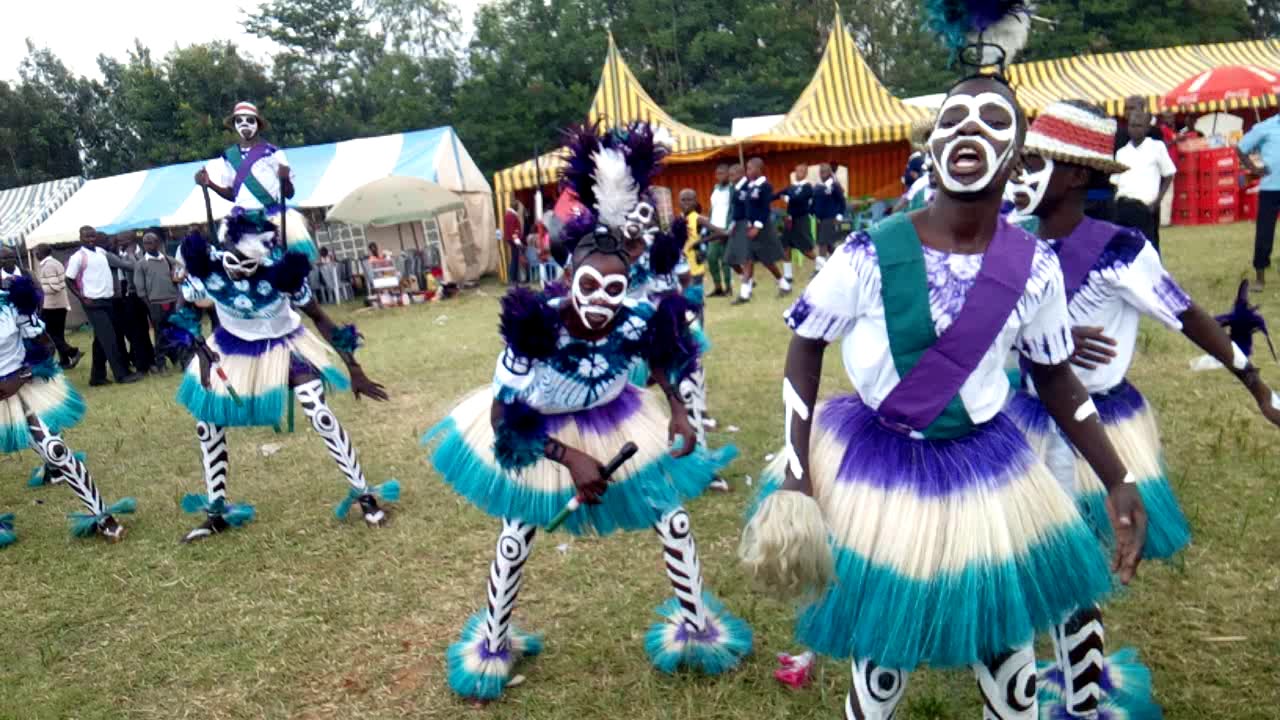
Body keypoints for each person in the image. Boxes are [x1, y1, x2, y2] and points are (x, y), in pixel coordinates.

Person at [739, 45, 1148, 719]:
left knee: (1009, 664)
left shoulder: (1035, 268)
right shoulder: (868, 253)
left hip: (988, 476)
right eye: (955, 118)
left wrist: (1116, 476)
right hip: (881, 474)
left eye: (993, 123)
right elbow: (806, 346)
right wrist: (795, 467)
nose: (969, 132)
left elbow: (1052, 376)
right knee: (880, 668)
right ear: (931, 146)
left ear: (1018, 160)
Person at [425, 123, 746, 702]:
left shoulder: (634, 316)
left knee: (671, 518)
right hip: (539, 428)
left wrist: (676, 410)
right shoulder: (536, 327)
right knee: (519, 532)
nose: (601, 299)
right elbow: (504, 418)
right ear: (569, 278)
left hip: (618, 416)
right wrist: (568, 456)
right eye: (590, 284)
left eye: (614, 287)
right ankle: (494, 643)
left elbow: (664, 358)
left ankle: (696, 629)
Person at [171, 212, 396, 543]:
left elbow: (319, 317)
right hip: (231, 348)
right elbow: (185, 307)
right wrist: (200, 349)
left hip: (285, 343)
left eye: (248, 264)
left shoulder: (282, 275)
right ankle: (216, 511)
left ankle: (364, 493)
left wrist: (354, 367)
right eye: (234, 263)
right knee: (207, 423)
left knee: (318, 411)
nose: (239, 270)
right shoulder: (208, 270)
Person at [0, 273, 135, 546]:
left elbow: (46, 345)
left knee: (55, 449)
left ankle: (100, 515)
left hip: (21, 389)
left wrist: (25, 375)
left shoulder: (12, 306)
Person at [193, 101, 316, 260]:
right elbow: (232, 195)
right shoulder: (229, 157)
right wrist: (210, 184)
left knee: (285, 267)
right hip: (242, 222)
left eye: (249, 120)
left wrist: (285, 179)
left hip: (272, 219)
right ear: (235, 124)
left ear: (257, 124)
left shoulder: (273, 153)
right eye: (239, 120)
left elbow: (289, 194)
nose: (244, 124)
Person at [66, 227, 141, 386]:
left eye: (93, 236)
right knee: (110, 339)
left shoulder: (100, 251)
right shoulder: (78, 257)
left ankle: (97, 377)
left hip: (107, 300)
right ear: (81, 238)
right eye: (87, 237)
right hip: (93, 302)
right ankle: (122, 375)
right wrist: (82, 297)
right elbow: (69, 280)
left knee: (101, 340)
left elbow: (119, 263)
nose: (90, 239)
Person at [1112, 101, 1175, 254]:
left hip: (1146, 208)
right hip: (1123, 207)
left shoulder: (1156, 147)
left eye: (1139, 126)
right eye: (1132, 125)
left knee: (1149, 250)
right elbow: (1114, 182)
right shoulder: (1121, 152)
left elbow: (1169, 174)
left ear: (1147, 128)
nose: (1134, 129)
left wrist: (1157, 201)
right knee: (1126, 251)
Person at [727, 157, 790, 304]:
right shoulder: (750, 186)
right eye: (747, 169)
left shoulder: (765, 186)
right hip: (751, 227)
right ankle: (745, 294)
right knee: (748, 259)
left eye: (750, 169)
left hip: (762, 227)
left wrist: (758, 226)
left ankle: (784, 284)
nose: (747, 172)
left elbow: (764, 208)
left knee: (767, 260)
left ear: (759, 170)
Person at [1238, 106, 1280, 289]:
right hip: (1270, 188)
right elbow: (1241, 148)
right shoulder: (1265, 127)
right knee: (1264, 233)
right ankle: (1260, 277)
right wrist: (1254, 169)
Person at [133, 231, 181, 372]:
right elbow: (140, 288)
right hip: (156, 303)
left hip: (173, 300)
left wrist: (177, 277)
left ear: (158, 243)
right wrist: (149, 304)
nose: (148, 245)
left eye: (151, 242)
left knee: (175, 331)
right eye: (145, 242)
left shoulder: (167, 259)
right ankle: (161, 364)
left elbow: (182, 269)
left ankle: (180, 359)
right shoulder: (141, 264)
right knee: (159, 335)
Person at [114, 232, 156, 374]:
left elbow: (137, 267)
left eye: (122, 239)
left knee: (156, 327)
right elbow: (123, 279)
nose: (119, 242)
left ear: (131, 240)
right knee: (138, 332)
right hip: (132, 297)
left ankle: (155, 360)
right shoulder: (121, 255)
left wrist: (131, 256)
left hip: (149, 295)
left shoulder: (144, 252)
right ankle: (143, 364)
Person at [34, 246, 81, 369]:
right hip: (60, 304)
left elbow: (55, 287)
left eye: (36, 252)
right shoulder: (55, 263)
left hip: (52, 305)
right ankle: (64, 360)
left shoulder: (48, 266)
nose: (35, 255)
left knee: (48, 333)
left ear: (41, 253)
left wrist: (38, 289)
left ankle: (72, 352)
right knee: (58, 334)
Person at [774, 163, 817, 284]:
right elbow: (777, 195)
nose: (799, 173)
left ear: (806, 173)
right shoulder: (792, 187)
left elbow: (799, 200)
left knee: (806, 250)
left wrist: (787, 199)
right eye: (797, 171)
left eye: (802, 171)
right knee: (785, 247)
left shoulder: (807, 187)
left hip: (801, 220)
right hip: (790, 221)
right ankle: (788, 276)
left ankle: (824, 266)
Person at [811, 162, 846, 269]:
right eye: (821, 172)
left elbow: (842, 201)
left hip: (830, 218)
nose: (822, 175)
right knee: (829, 245)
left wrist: (839, 216)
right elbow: (814, 202)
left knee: (822, 243)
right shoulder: (818, 187)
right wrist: (811, 212)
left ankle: (819, 270)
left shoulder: (834, 186)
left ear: (830, 173)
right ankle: (843, 263)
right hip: (819, 219)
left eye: (825, 172)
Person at [706, 163, 734, 296]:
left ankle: (728, 288)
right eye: (717, 173)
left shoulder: (732, 189)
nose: (719, 176)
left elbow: (734, 210)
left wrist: (729, 228)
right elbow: (713, 208)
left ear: (729, 175)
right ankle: (718, 287)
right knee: (711, 258)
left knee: (725, 260)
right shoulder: (715, 188)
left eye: (722, 173)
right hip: (713, 227)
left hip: (725, 229)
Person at [503, 199, 526, 286]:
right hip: (513, 240)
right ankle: (513, 279)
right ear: (515, 207)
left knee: (514, 259)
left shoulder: (507, 215)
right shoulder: (513, 216)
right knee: (514, 260)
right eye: (518, 207)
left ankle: (513, 279)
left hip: (510, 239)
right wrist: (519, 243)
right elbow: (514, 231)